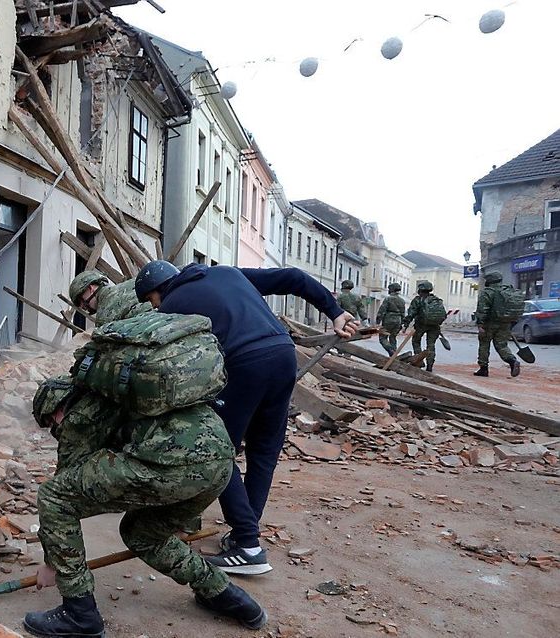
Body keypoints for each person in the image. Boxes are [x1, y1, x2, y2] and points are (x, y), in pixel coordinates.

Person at [133, 261, 358, 576]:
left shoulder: (172, 306)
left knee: (216, 451)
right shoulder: (226, 273)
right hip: (283, 355)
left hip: (244, 363)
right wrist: (335, 312)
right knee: (263, 450)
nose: (154, 307)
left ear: (156, 290)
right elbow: (292, 277)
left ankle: (249, 547)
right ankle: (242, 537)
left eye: (150, 300)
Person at [24, 376, 268, 637]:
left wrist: (53, 565)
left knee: (53, 497)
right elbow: (189, 441)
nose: (55, 431)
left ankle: (79, 613)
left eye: (51, 424)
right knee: (141, 533)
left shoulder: (80, 414)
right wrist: (185, 523)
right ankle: (227, 596)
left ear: (57, 408)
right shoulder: (129, 391)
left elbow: (66, 487)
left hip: (172, 467)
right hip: (220, 465)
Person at [474, 270, 521, 377]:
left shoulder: (487, 292)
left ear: (489, 281)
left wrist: (480, 324)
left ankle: (483, 369)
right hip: (506, 323)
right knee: (502, 345)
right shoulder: (509, 290)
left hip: (489, 323)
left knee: (484, 345)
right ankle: (512, 361)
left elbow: (482, 309)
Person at [68, 271, 152, 323]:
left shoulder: (104, 313)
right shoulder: (132, 284)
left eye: (81, 299)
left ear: (91, 288)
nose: (82, 306)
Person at [402, 280, 447, 372]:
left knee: (416, 341)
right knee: (431, 345)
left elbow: (411, 313)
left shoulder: (418, 300)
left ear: (420, 289)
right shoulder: (437, 300)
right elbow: (444, 314)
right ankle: (430, 365)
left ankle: (419, 361)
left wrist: (405, 325)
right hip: (434, 326)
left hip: (421, 325)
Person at [376, 282, 407, 355]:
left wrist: (378, 321)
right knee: (393, 338)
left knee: (382, 338)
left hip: (388, 320)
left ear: (391, 289)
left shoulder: (388, 299)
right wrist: (403, 324)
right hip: (398, 321)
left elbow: (382, 310)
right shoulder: (402, 300)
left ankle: (391, 351)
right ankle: (393, 356)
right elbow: (403, 313)